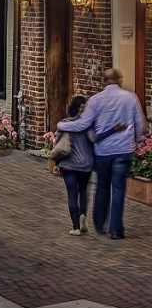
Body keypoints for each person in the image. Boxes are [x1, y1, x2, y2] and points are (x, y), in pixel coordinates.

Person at [56, 68, 145, 240]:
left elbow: (83, 124)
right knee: (118, 189)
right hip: (123, 150)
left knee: (102, 186)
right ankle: (116, 229)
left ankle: (99, 223)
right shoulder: (131, 98)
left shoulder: (95, 101)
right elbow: (140, 124)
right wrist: (138, 140)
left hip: (103, 152)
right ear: (118, 79)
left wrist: (62, 125)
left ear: (104, 81)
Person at [52, 95, 95, 235]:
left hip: (68, 164)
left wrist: (56, 162)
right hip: (86, 164)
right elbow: (94, 140)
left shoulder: (65, 123)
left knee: (72, 194)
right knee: (83, 190)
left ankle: (75, 227)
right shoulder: (88, 125)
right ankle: (83, 216)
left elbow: (57, 144)